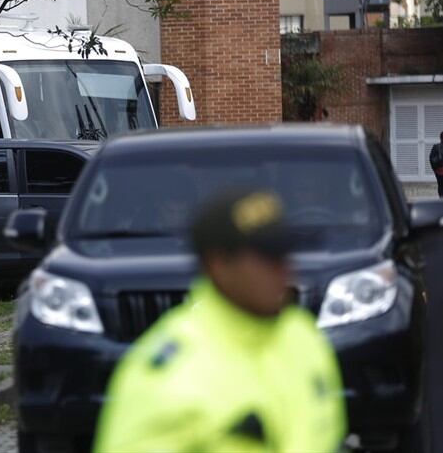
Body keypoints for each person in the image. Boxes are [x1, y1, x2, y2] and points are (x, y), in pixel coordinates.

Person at [93, 189, 345, 452]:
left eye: (284, 255)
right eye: (267, 258)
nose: (284, 270)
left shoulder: (301, 337)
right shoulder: (167, 376)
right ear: (218, 266)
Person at [430, 131, 443, 197]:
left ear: (440, 138)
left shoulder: (436, 147)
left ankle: (441, 200)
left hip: (439, 171)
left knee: (441, 186)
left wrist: (435, 170)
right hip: (439, 171)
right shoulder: (436, 147)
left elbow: (431, 159)